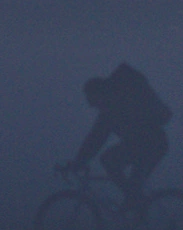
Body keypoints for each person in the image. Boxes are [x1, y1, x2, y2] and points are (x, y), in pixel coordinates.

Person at [58, 63, 172, 208]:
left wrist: (80, 161)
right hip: (142, 145)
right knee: (115, 169)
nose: (92, 105)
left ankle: (136, 206)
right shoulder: (110, 108)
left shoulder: (115, 106)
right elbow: (95, 139)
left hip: (153, 145)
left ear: (99, 94)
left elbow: (96, 138)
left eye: (92, 99)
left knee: (123, 176)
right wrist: (79, 160)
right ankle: (135, 208)